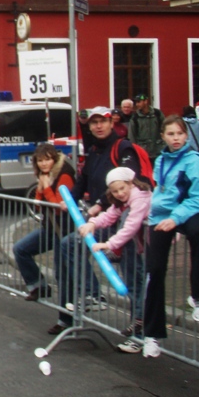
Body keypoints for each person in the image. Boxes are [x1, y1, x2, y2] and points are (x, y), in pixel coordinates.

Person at [49, 106, 143, 335]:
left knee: (134, 276)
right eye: (94, 123)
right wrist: (69, 199)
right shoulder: (93, 150)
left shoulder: (123, 147)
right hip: (104, 220)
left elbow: (128, 182)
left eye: (103, 121)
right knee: (70, 245)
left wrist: (100, 204)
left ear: (112, 123)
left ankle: (141, 329)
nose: (98, 126)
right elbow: (83, 180)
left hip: (124, 220)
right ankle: (88, 298)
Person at [142, 115, 199, 358]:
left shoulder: (194, 160)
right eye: (170, 134)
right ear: (163, 136)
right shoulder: (161, 160)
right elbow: (161, 192)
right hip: (163, 215)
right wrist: (159, 217)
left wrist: (176, 219)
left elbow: (195, 196)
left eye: (179, 134)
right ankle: (152, 335)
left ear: (186, 135)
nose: (176, 138)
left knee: (197, 233)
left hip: (188, 210)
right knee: (155, 270)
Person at [78, 167, 151, 354]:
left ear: (131, 183)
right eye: (115, 191)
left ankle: (141, 332)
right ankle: (139, 329)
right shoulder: (123, 200)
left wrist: (109, 244)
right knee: (135, 286)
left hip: (147, 248)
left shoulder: (140, 198)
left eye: (122, 189)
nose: (119, 194)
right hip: (134, 249)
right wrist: (93, 223)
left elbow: (131, 226)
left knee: (140, 287)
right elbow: (110, 215)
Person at [12, 143, 75, 301]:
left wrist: (46, 187)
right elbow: (38, 206)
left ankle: (66, 316)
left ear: (54, 159)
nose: (43, 164)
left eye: (47, 160)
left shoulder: (64, 175)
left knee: (62, 273)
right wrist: (41, 188)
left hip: (64, 229)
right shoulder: (44, 175)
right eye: (40, 161)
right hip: (50, 226)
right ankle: (38, 286)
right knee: (20, 249)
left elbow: (59, 207)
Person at [127, 93, 165, 160]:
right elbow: (132, 136)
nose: (137, 104)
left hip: (158, 150)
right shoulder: (135, 117)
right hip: (143, 152)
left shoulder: (157, 114)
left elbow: (165, 129)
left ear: (145, 101)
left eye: (139, 102)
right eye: (136, 102)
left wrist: (164, 144)